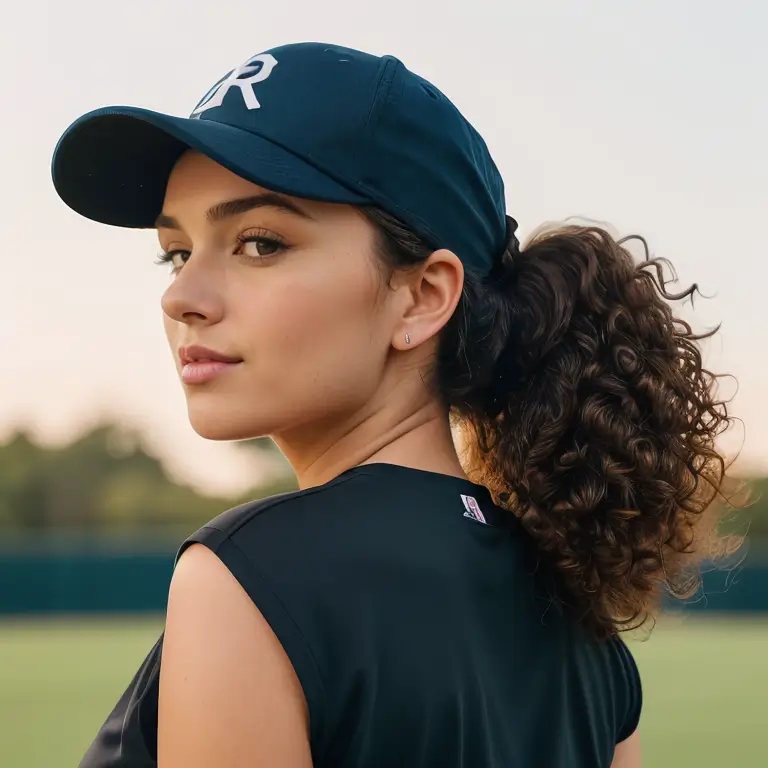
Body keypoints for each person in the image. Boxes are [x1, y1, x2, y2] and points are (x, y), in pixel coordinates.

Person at [51, 42, 739, 768]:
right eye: (177, 251)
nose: (181, 297)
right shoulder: (586, 628)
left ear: (423, 295)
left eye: (259, 243)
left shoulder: (246, 579)